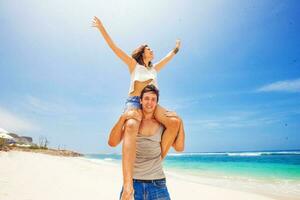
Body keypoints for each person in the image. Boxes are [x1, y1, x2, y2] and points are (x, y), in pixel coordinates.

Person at [92, 16, 185, 200]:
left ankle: (156, 162)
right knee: (133, 126)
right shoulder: (134, 65)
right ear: (143, 52)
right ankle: (128, 183)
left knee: (174, 121)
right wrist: (102, 29)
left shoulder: (154, 69)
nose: (153, 51)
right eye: (149, 49)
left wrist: (176, 49)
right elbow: (115, 48)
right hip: (135, 102)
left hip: (152, 102)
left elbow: (167, 58)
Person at [109, 85, 185, 200]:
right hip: (133, 183)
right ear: (140, 100)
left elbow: (179, 147)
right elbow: (112, 142)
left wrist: (180, 121)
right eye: (146, 98)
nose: (149, 102)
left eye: (153, 99)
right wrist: (123, 117)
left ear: (157, 103)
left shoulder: (161, 125)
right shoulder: (133, 122)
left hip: (157, 184)